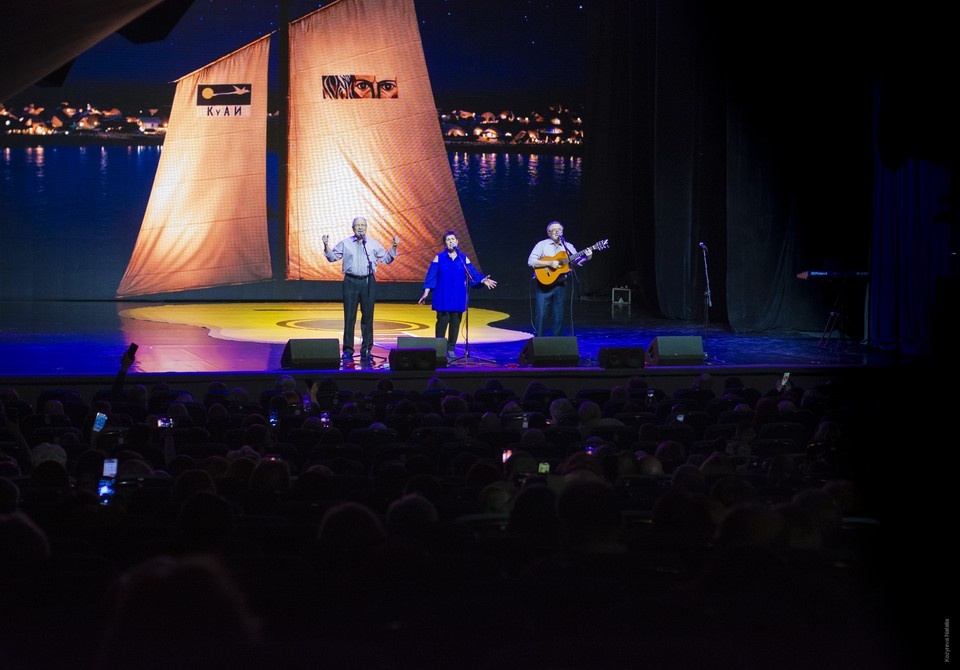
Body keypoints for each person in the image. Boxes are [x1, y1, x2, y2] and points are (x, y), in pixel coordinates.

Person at [322, 216, 399, 361]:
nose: (360, 227)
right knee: (349, 317)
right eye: (357, 225)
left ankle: (367, 349)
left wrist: (394, 247)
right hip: (350, 281)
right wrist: (326, 245)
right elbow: (332, 257)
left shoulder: (373, 244)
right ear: (353, 228)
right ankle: (348, 350)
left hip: (368, 281)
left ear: (367, 227)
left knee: (368, 316)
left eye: (363, 225)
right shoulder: (345, 243)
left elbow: (386, 259)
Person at [418, 230, 497, 361]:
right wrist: (426, 292)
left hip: (458, 296)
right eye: (448, 240)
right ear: (445, 243)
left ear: (457, 242)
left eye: (453, 239)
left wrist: (483, 280)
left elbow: (472, 274)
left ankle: (451, 349)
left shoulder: (463, 258)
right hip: (443, 295)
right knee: (443, 321)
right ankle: (439, 349)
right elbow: (431, 276)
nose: (451, 241)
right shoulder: (439, 257)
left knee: (455, 322)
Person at [527, 220, 592, 337]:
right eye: (554, 230)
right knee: (541, 314)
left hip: (560, 284)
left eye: (559, 230)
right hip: (543, 285)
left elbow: (576, 262)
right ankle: (538, 341)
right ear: (549, 233)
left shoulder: (568, 247)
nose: (557, 232)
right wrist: (549, 263)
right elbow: (531, 261)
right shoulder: (542, 245)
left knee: (559, 314)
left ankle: (557, 341)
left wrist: (587, 257)